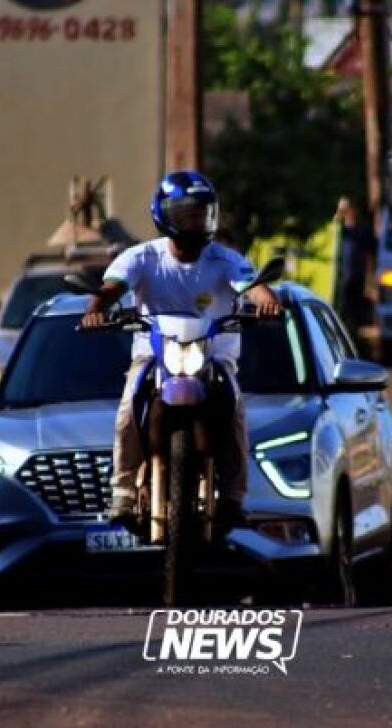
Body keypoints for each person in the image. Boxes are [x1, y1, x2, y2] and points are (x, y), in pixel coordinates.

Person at [81, 170, 283, 530]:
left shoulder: (224, 259)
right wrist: (96, 311)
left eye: (201, 213)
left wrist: (268, 302)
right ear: (164, 215)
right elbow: (112, 286)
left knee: (235, 410)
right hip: (153, 356)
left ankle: (235, 497)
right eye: (186, 213)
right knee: (128, 409)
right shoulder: (142, 258)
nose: (194, 221)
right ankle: (123, 492)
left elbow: (252, 286)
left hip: (214, 356)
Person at [333, 196, 373, 335]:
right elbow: (335, 224)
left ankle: (353, 335)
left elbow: (368, 256)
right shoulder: (340, 231)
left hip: (357, 276)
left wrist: (369, 280)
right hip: (342, 277)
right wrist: (340, 212)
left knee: (355, 312)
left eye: (348, 208)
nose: (347, 212)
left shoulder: (363, 230)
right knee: (341, 308)